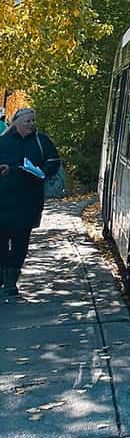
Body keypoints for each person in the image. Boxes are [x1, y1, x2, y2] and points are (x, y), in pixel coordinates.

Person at [0, 107, 62, 297]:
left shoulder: (41, 141)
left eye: (33, 121)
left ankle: (11, 280)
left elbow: (54, 160)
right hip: (3, 200)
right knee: (1, 241)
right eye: (28, 121)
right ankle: (2, 273)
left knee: (20, 242)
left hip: (29, 201)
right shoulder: (3, 141)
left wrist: (42, 170)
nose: (32, 124)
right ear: (16, 123)